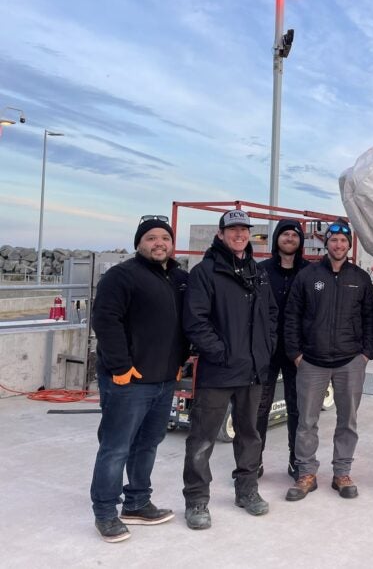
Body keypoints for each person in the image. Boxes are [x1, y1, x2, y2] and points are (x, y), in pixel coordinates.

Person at [89, 215, 189, 542]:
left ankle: (137, 502)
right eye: (151, 238)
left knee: (148, 444)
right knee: (116, 447)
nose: (158, 243)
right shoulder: (122, 276)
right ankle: (105, 511)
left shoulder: (178, 278)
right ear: (139, 243)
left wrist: (179, 362)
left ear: (172, 244)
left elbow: (180, 326)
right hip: (128, 382)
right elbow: (105, 321)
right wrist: (119, 367)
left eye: (165, 238)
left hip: (163, 380)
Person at [181, 209, 277, 529]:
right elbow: (195, 321)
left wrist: (265, 350)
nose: (239, 235)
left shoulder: (257, 272)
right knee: (203, 437)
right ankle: (196, 499)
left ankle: (247, 491)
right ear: (220, 234)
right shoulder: (206, 272)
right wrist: (221, 353)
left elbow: (271, 316)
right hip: (219, 371)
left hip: (253, 371)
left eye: (244, 230)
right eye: (233, 229)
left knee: (249, 434)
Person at [283, 220, 373, 501]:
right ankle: (306, 473)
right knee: (307, 421)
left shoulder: (359, 277)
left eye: (343, 241)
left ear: (349, 245)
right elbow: (292, 316)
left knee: (347, 420)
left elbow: (370, 317)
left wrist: (366, 354)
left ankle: (342, 473)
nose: (338, 245)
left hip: (350, 360)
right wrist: (296, 354)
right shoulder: (308, 275)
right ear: (327, 243)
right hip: (311, 360)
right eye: (334, 240)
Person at [256, 219, 308, 479]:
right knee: (259, 407)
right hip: (266, 350)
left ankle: (296, 461)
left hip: (298, 351)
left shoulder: (310, 271)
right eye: (285, 234)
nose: (290, 238)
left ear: (300, 241)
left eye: (294, 235)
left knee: (297, 407)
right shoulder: (260, 270)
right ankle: (253, 462)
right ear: (277, 238)